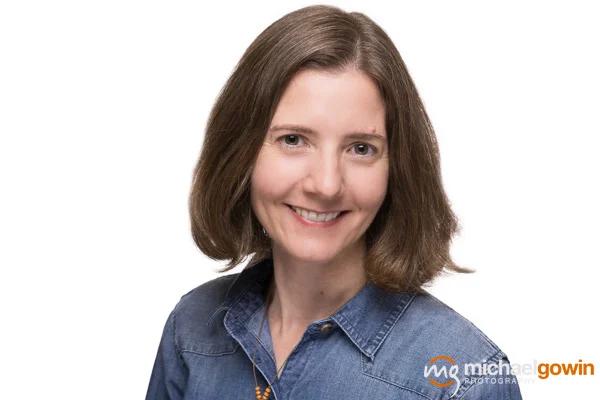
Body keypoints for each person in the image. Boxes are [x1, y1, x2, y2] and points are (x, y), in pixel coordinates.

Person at [145, 5, 523, 399]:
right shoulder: (190, 331)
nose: (326, 185)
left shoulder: (464, 380)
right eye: (293, 140)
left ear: (397, 169)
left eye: (361, 148)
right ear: (239, 153)